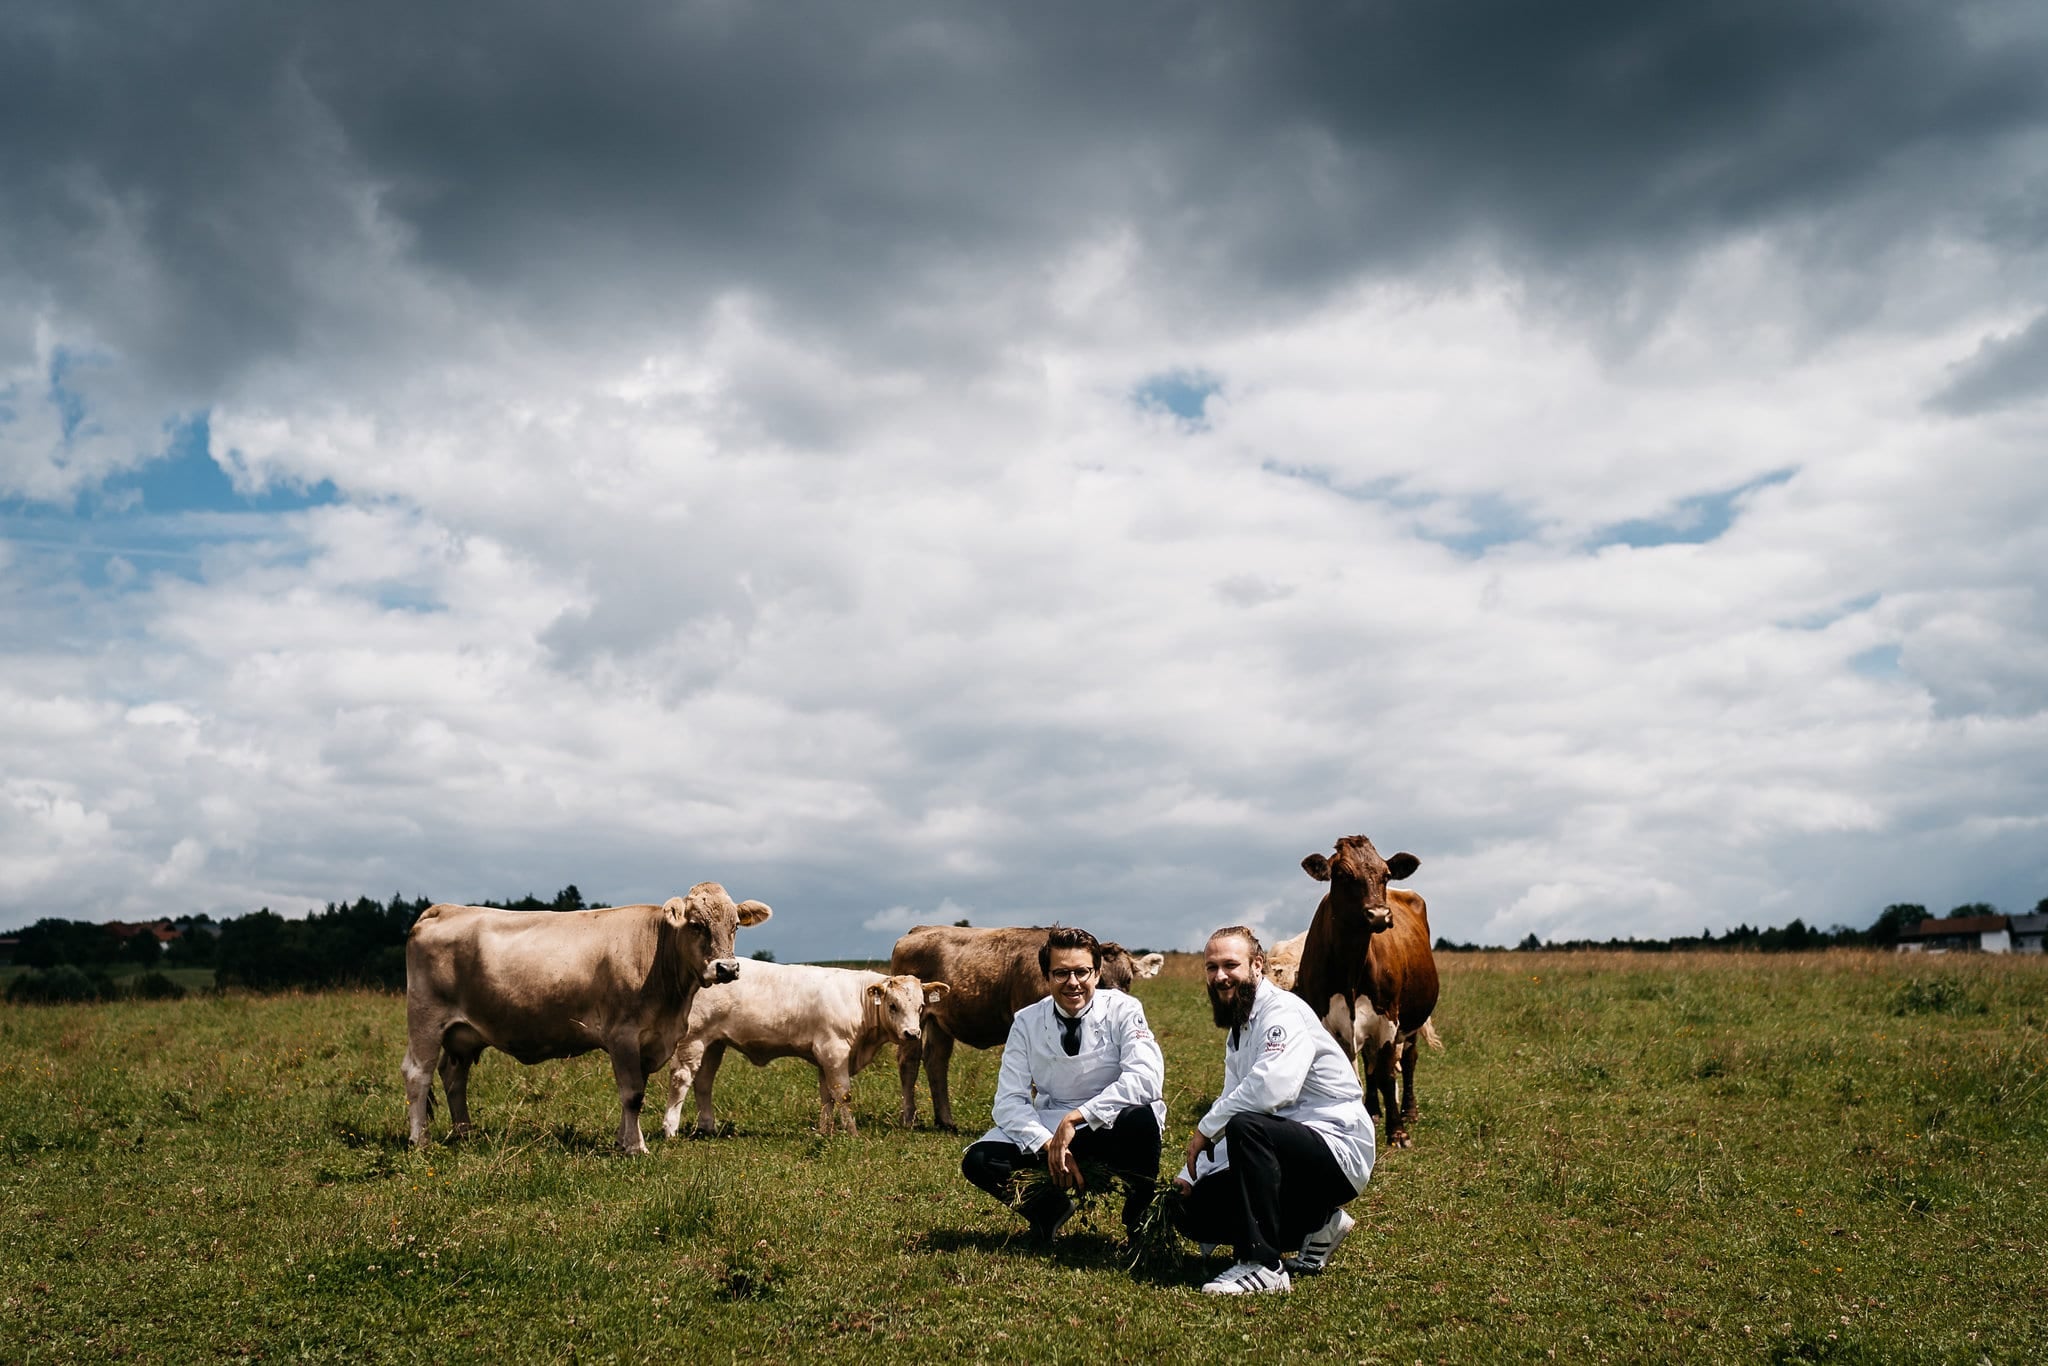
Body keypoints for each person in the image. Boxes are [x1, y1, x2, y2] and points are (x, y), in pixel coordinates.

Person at [1171, 925, 1375, 1295]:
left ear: (1257, 965)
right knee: (1190, 1208)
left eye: (1230, 965)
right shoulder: (1239, 1026)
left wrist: (1204, 1129)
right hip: (1288, 1150)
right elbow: (1230, 1099)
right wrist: (1190, 1175)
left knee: (1247, 1126)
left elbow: (1271, 1090)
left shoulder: (1282, 1012)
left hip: (1337, 1148)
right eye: (1211, 967)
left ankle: (1264, 1265)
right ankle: (1319, 1224)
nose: (1220, 976)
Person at [961, 925, 1166, 1243]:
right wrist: (1047, 1143)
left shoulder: (1124, 1009)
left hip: (1110, 1125)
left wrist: (1078, 1118)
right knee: (979, 1161)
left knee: (1141, 1118)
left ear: (1097, 973)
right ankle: (1049, 1210)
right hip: (1052, 1124)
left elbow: (1146, 1079)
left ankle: (1138, 1220)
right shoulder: (1026, 1021)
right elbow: (1008, 1101)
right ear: (1047, 976)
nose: (1073, 982)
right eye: (1061, 973)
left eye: (1082, 972)